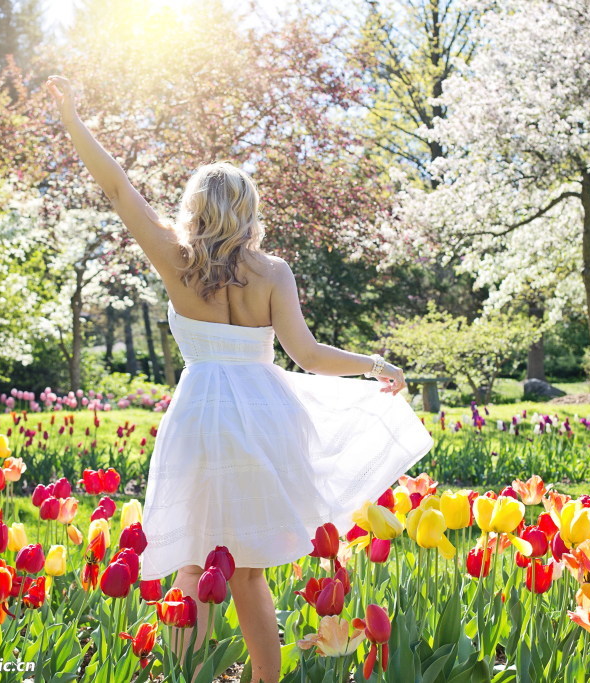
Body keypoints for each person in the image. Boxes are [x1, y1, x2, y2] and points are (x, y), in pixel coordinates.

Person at [46, 75, 433, 683]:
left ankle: (184, 678)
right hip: (265, 415)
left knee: (191, 563)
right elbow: (306, 356)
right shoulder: (273, 271)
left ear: (195, 208)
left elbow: (119, 190)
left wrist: (71, 118)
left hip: (203, 414)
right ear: (249, 210)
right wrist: (374, 365)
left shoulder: (178, 260)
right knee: (248, 569)